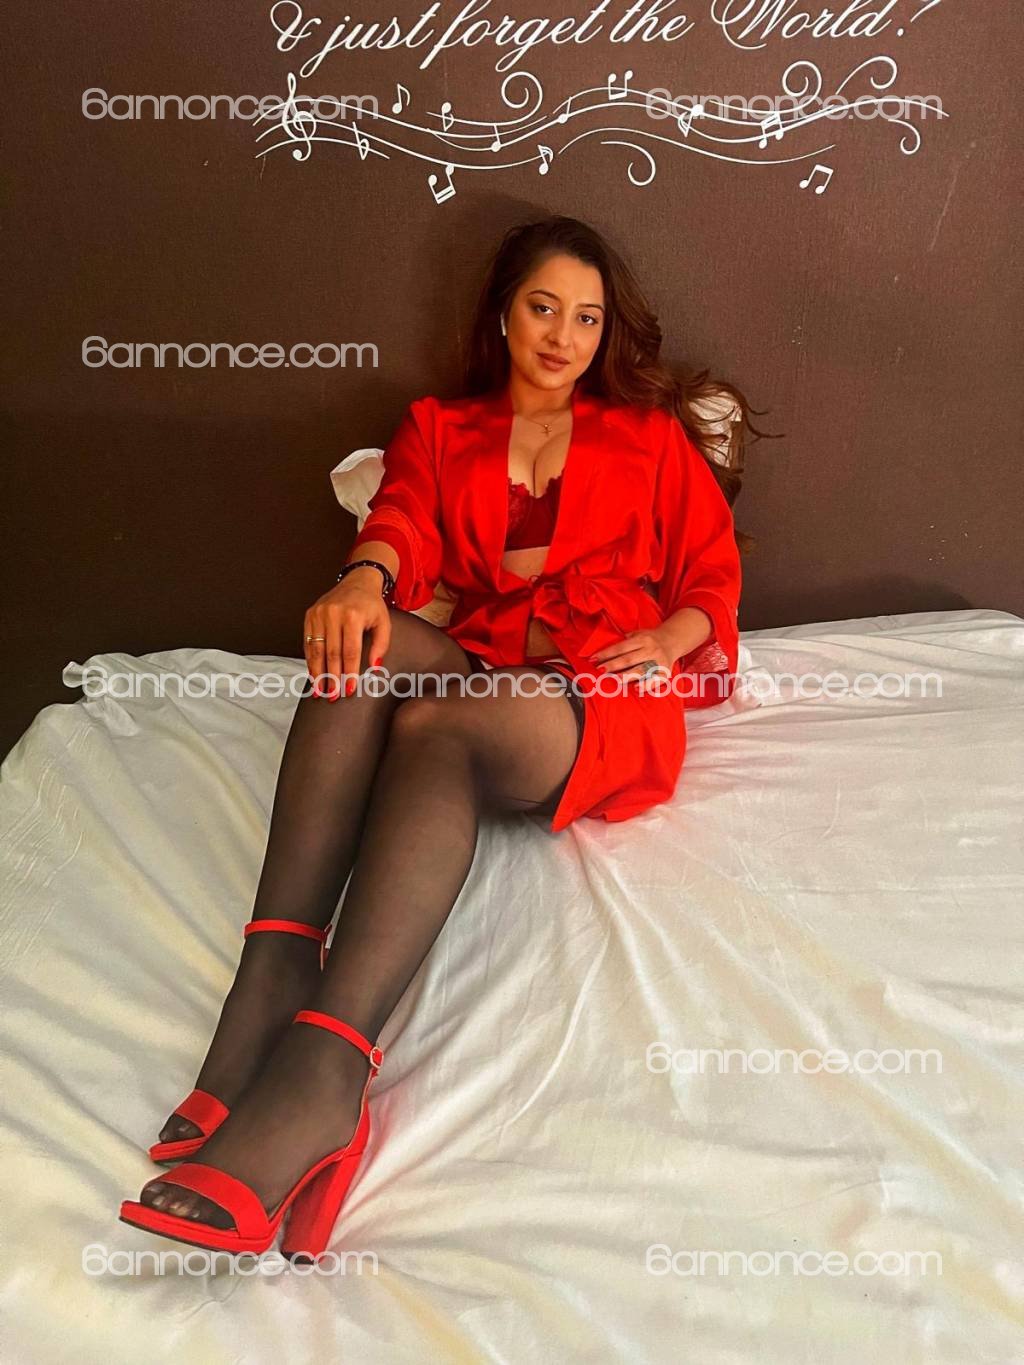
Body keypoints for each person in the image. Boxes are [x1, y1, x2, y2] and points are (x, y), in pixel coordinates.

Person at [119, 214, 753, 1258]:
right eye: (543, 308)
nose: (562, 337)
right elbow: (403, 522)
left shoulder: (647, 438)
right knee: (360, 650)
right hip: (491, 660)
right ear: (502, 313)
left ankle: (326, 1070)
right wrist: (361, 581)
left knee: (438, 728)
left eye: (586, 319)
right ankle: (273, 969)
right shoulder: (441, 427)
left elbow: (712, 578)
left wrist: (666, 638)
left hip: (600, 691)